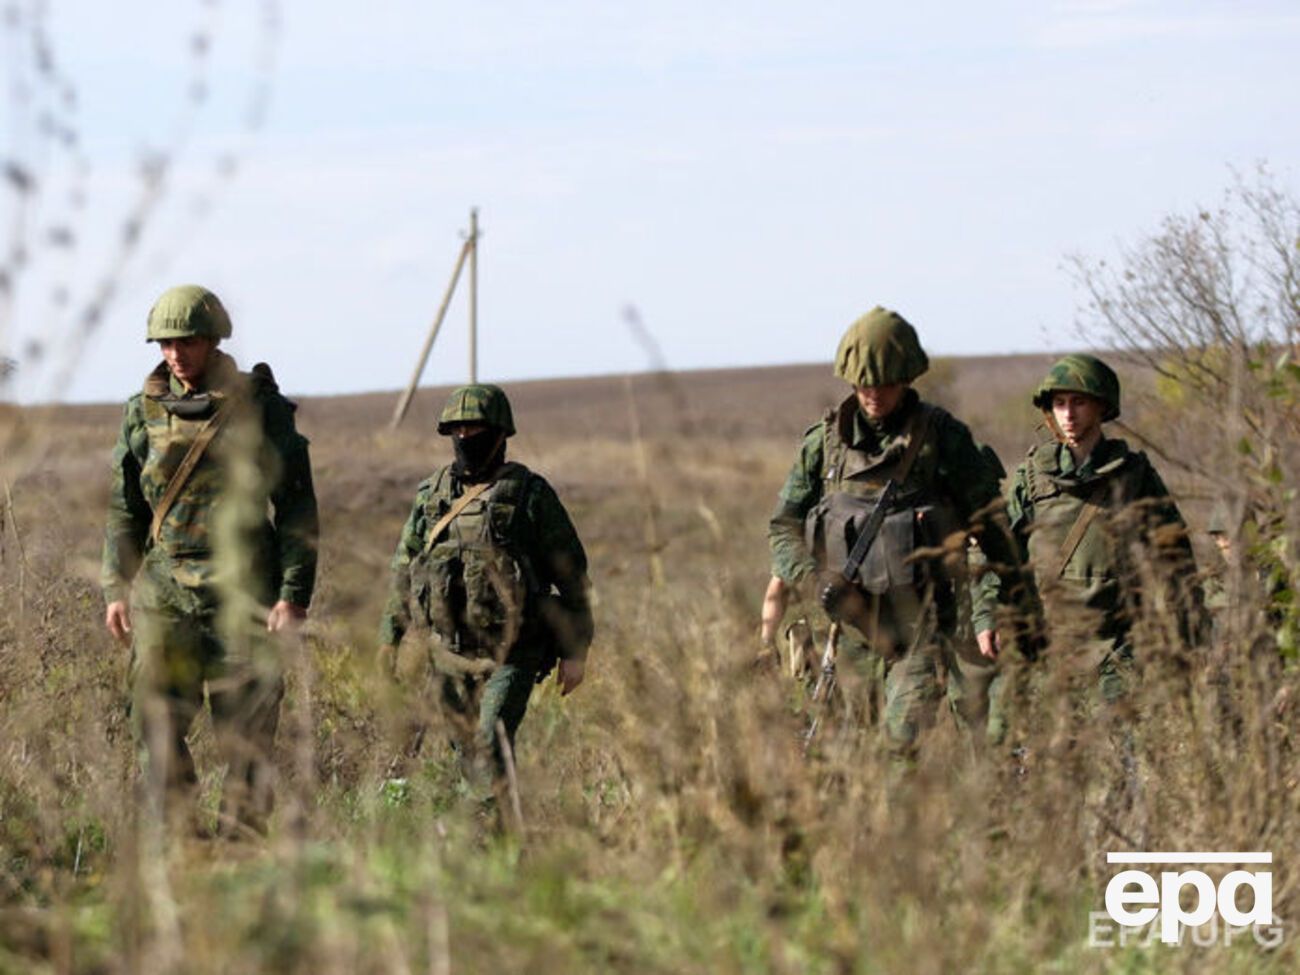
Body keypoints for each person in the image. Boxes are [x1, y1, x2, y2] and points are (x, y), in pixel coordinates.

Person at [101, 284, 318, 835]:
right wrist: (115, 588)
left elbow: (296, 509)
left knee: (246, 736)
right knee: (152, 721)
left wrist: (293, 595)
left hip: (244, 596)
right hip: (165, 596)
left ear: (214, 340)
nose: (177, 354)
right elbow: (124, 510)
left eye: (189, 342)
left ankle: (241, 849)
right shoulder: (141, 413)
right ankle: (182, 842)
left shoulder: (261, 410)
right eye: (167, 343)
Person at [766, 306, 1023, 754]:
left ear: (907, 379)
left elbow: (990, 523)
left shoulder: (944, 438)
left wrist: (1007, 604)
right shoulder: (823, 444)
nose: (873, 395)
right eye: (864, 384)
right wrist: (814, 579)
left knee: (898, 748)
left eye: (885, 384)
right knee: (847, 758)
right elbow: (783, 528)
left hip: (923, 627)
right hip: (851, 632)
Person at [377, 383, 593, 820]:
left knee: (491, 741)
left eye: (474, 428)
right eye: (456, 429)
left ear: (499, 433)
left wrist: (576, 651)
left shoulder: (529, 494)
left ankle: (496, 838)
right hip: (449, 652)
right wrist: (389, 639)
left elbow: (572, 578)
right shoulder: (432, 495)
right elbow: (404, 569)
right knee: (468, 750)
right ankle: (499, 831)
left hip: (513, 651)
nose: (464, 438)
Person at [996, 354, 1202, 704]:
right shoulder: (1032, 476)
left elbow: (1175, 556)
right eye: (1059, 404)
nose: (1068, 414)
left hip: (1120, 641)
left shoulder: (1134, 475)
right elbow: (998, 550)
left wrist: (1189, 634)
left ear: (1101, 407)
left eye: (1078, 402)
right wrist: (993, 616)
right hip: (1050, 642)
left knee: (1120, 747)